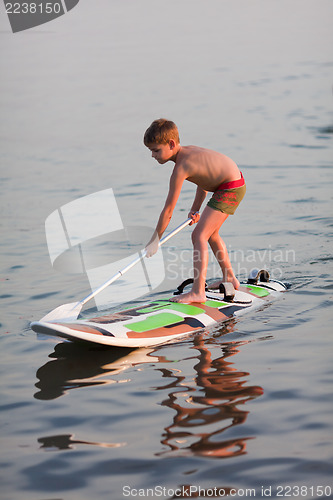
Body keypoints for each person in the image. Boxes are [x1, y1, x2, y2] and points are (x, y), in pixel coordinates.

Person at [144, 118, 246, 304]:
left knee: (199, 236)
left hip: (230, 188)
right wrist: (195, 209)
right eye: (151, 151)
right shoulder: (188, 153)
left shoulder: (181, 167)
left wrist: (155, 240)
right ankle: (229, 277)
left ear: (171, 144)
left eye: (156, 150)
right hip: (232, 184)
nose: (153, 155)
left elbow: (168, 211)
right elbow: (203, 183)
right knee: (211, 234)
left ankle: (198, 291)